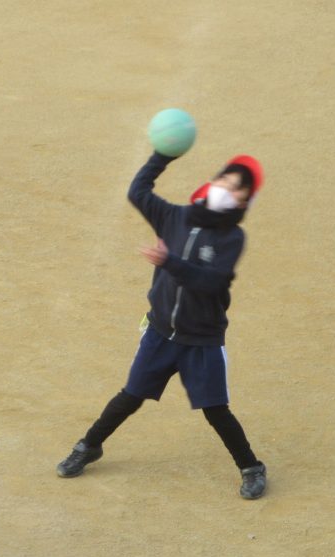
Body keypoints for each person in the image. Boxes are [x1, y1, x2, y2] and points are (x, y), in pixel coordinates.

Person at [56, 150, 268, 499]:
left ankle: (251, 467)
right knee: (130, 397)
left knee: (216, 410)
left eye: (236, 190)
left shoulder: (232, 238)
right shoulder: (175, 217)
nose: (226, 190)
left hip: (201, 340)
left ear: (244, 202)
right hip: (160, 334)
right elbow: (138, 191)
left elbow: (212, 282)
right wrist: (162, 155)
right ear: (212, 181)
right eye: (224, 181)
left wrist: (170, 262)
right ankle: (89, 446)